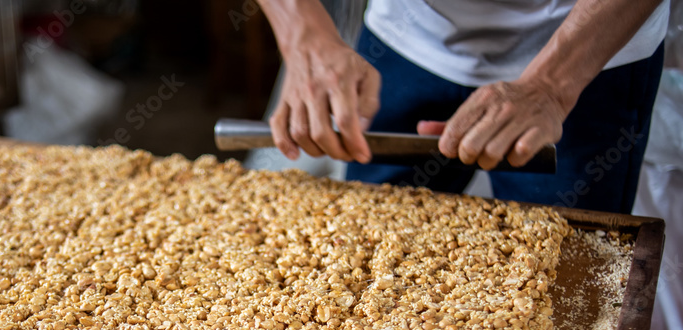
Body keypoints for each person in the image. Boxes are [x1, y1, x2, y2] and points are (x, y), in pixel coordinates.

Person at [256, 0, 669, 213]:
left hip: (584, 48)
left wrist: (550, 87)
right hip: (406, 32)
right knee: (367, 232)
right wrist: (303, 35)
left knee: (561, 265)